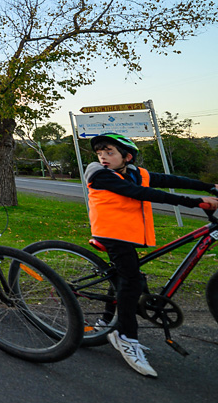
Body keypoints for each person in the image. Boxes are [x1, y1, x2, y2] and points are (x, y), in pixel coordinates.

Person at [86, 132, 218, 378]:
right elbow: (143, 194)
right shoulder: (102, 175)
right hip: (111, 234)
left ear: (127, 157)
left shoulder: (136, 173)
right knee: (132, 281)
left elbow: (168, 179)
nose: (103, 157)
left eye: (109, 153)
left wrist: (208, 186)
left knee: (127, 277)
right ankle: (125, 336)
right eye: (100, 153)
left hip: (128, 234)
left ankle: (106, 322)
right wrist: (195, 202)